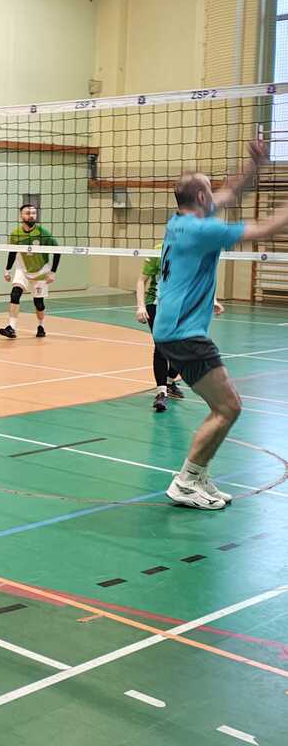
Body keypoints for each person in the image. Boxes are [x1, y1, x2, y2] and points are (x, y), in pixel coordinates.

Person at [154, 139, 288, 510]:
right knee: (228, 407)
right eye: (209, 190)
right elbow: (264, 229)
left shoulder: (181, 221)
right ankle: (186, 481)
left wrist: (254, 166)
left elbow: (229, 194)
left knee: (226, 407)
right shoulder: (202, 231)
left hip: (175, 331)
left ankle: (196, 477)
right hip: (183, 333)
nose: (216, 194)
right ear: (201, 197)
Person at [136, 248, 224, 413]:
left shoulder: (194, 251)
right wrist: (140, 306)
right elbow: (142, 280)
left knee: (185, 347)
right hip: (156, 304)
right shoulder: (159, 252)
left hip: (182, 305)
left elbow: (204, 279)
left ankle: (170, 381)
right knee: (161, 347)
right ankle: (161, 392)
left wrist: (213, 300)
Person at [0, 204, 61, 339]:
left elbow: (58, 251)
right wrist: (7, 270)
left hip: (40, 272)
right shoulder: (15, 234)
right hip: (23, 269)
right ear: (21, 215)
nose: (31, 215)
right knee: (15, 295)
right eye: (28, 213)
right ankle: (11, 327)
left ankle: (41, 326)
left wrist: (53, 272)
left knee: (39, 304)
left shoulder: (43, 233)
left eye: (33, 213)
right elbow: (12, 252)